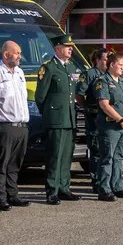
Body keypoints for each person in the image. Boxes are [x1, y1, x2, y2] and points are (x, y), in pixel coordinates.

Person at [35, 33, 81, 205]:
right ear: (58, 48)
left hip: (69, 118)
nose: (71, 49)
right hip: (55, 119)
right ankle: (51, 191)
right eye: (67, 46)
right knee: (55, 155)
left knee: (67, 155)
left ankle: (64, 188)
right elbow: (40, 97)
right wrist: (49, 114)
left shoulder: (71, 67)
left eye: (71, 47)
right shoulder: (49, 68)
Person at [0, 40, 30, 211]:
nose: (20, 56)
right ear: (6, 55)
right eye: (17, 53)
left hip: (21, 126)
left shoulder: (19, 72)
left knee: (15, 164)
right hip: (4, 125)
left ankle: (12, 194)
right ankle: (0, 197)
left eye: (20, 53)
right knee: (1, 164)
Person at [94, 52, 123, 201]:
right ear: (111, 65)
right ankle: (104, 189)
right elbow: (104, 104)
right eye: (120, 64)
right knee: (108, 157)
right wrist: (119, 120)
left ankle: (118, 187)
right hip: (110, 126)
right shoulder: (103, 81)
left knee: (119, 157)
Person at [76, 48, 109, 191]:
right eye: (106, 59)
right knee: (96, 150)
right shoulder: (89, 74)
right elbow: (79, 94)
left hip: (107, 118)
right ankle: (96, 181)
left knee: (107, 150)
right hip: (94, 117)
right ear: (97, 60)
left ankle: (106, 181)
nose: (108, 62)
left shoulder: (109, 76)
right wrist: (87, 107)